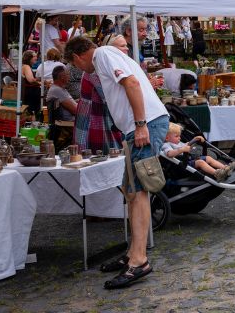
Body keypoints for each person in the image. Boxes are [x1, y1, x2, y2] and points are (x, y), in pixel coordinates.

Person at [65, 35, 168, 289]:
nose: (80, 70)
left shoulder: (102, 55)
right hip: (137, 127)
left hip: (144, 125)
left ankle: (139, 260)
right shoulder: (105, 57)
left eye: (76, 65)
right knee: (131, 192)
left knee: (139, 191)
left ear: (78, 56)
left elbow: (131, 83)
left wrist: (141, 124)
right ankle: (133, 253)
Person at [75, 67, 123, 153]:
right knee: (99, 151)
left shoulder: (94, 70)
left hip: (91, 113)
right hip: (94, 116)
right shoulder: (93, 72)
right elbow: (107, 97)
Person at [160, 123, 231, 182]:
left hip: (187, 160)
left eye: (179, 135)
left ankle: (225, 168)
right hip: (180, 166)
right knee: (200, 162)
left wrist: (194, 139)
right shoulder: (166, 145)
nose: (179, 138)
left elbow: (187, 145)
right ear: (167, 138)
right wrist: (181, 150)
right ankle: (217, 174)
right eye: (176, 136)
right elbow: (169, 154)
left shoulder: (177, 143)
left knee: (208, 158)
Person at [46, 65, 78, 148]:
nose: (69, 76)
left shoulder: (59, 89)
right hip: (68, 123)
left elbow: (71, 104)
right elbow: (76, 111)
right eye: (67, 74)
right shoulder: (57, 90)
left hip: (69, 122)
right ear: (62, 77)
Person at [20, 49, 42, 115]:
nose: (36, 58)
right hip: (30, 93)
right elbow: (31, 80)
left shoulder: (25, 66)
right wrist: (41, 83)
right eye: (34, 56)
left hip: (28, 91)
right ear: (29, 58)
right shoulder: (26, 67)